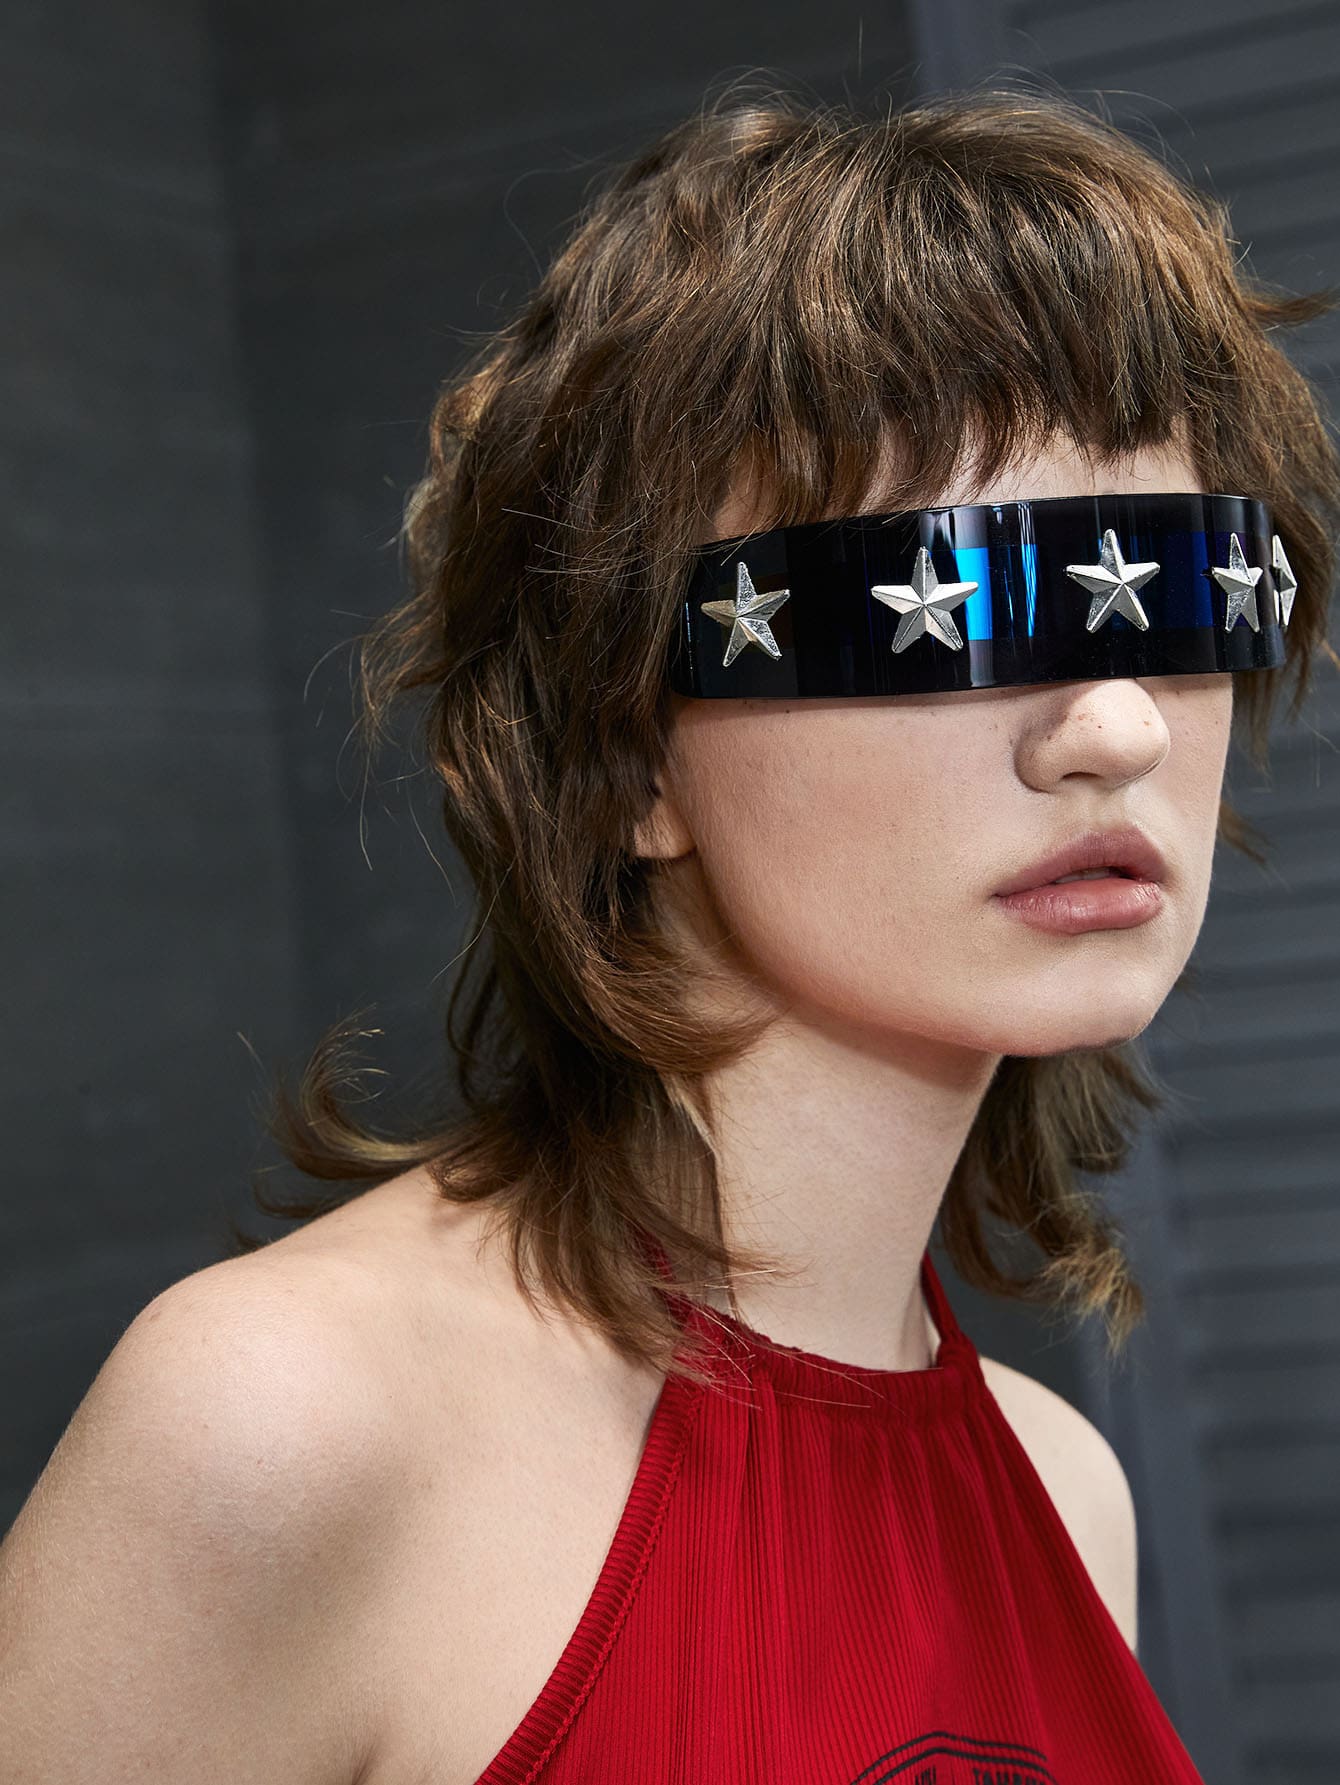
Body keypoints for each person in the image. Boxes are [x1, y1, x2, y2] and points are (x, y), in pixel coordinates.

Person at [3, 79, 1338, 1785]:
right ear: (630, 749)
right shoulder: (285, 1427)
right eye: (949, 602)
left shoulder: (1072, 1495)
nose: (1120, 726)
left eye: (1182, 590)